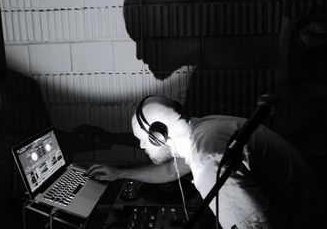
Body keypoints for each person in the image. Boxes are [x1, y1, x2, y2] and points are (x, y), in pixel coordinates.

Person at [87, 95, 311, 229]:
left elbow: (257, 227)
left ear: (158, 136)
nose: (142, 147)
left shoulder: (206, 161)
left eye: (143, 141)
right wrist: (119, 173)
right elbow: (169, 171)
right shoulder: (202, 131)